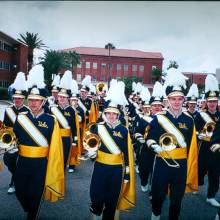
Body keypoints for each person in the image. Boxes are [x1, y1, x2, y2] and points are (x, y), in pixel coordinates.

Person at [13, 65, 64, 220]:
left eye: (37, 101)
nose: (33, 103)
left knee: (35, 194)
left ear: (43, 102)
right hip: (22, 161)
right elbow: (14, 137)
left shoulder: (51, 120)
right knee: (20, 191)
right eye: (31, 100)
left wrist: (53, 166)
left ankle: (32, 214)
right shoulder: (21, 117)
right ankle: (29, 208)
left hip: (41, 164)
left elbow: (55, 147)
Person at [146, 68, 198, 220]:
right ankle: (155, 215)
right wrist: (155, 146)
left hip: (180, 164)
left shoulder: (189, 120)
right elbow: (149, 137)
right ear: (167, 100)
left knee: (177, 199)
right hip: (162, 161)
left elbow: (191, 146)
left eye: (179, 99)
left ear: (183, 100)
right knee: (157, 196)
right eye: (173, 99)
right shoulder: (159, 118)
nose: (176, 102)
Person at [86, 80, 135, 220]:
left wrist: (126, 175)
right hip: (100, 167)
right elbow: (92, 147)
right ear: (105, 114)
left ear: (118, 115)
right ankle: (96, 212)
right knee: (96, 195)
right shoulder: (97, 127)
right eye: (109, 113)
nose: (111, 116)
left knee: (112, 199)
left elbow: (126, 154)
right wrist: (91, 154)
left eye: (114, 114)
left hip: (116, 170)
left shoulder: (123, 130)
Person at [195, 74, 220, 207]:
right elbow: (194, 130)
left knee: (215, 174)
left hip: (217, 149)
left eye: (214, 101)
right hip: (203, 148)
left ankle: (211, 196)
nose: (212, 104)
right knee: (200, 170)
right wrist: (198, 134)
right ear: (206, 102)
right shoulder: (200, 115)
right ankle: (196, 184)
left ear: (217, 102)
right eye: (210, 101)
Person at [3, 72, 29, 194]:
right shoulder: (8, 110)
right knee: (7, 161)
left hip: (23, 142)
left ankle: (13, 183)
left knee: (19, 163)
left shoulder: (27, 111)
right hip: (10, 142)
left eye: (19, 98)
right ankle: (18, 178)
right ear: (12, 98)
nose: (17, 100)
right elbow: (5, 126)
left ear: (23, 99)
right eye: (15, 98)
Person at [49, 70, 77, 170]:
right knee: (53, 159)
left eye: (64, 98)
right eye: (60, 97)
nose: (62, 99)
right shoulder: (52, 108)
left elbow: (74, 125)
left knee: (64, 159)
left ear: (68, 98)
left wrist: (75, 138)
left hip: (66, 138)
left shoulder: (71, 110)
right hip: (54, 137)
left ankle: (61, 180)